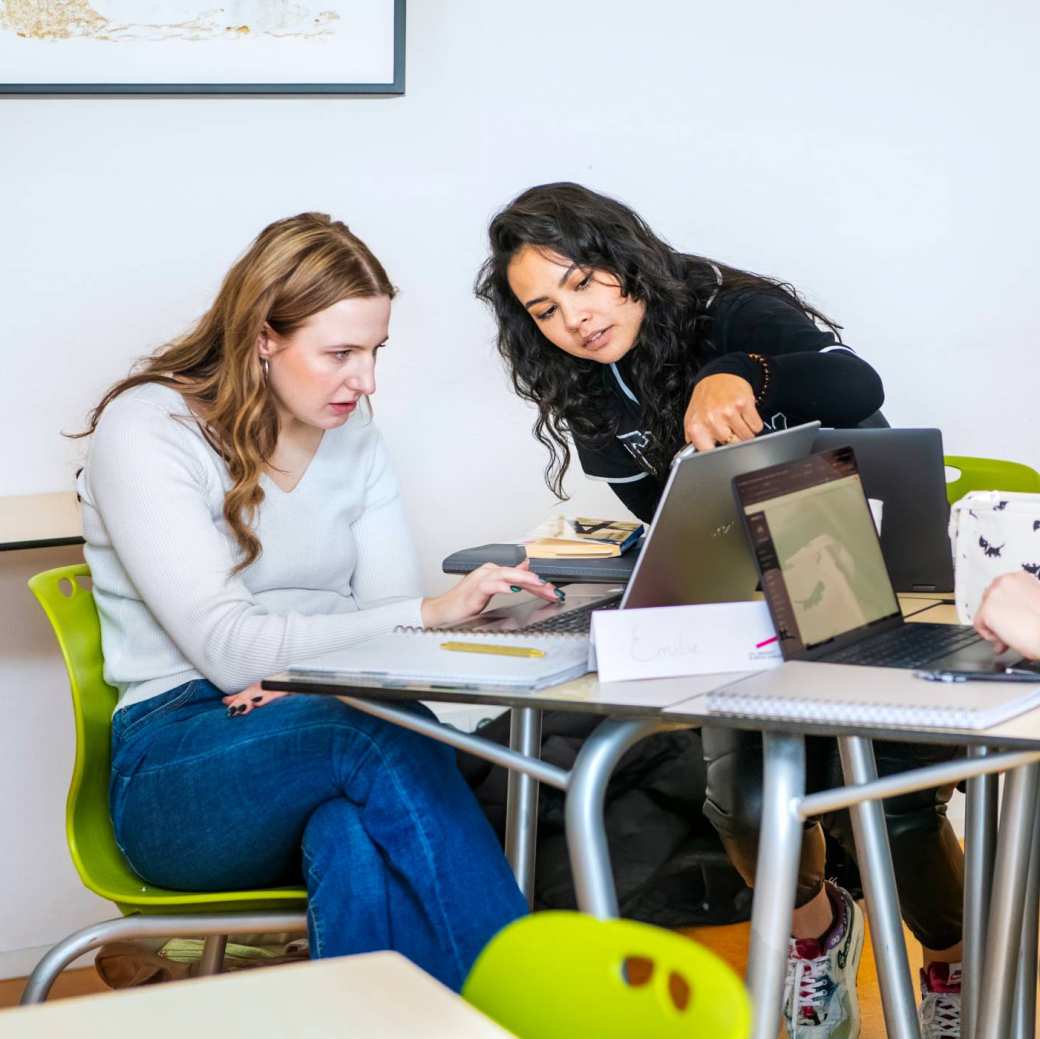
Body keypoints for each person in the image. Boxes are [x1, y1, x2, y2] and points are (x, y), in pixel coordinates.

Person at [476, 182, 964, 1038]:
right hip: (743, 602)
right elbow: (665, 513)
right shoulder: (588, 388)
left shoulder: (730, 310)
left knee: (895, 807)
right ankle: (817, 942)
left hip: (865, 577)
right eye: (546, 309)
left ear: (624, 258)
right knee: (738, 801)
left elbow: (856, 381)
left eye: (585, 281)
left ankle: (952, 966)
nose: (576, 319)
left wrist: (731, 374)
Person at [75, 212, 555, 990]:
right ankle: (530, 1004)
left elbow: (386, 635)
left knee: (353, 834)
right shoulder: (149, 428)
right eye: (340, 353)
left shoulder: (353, 431)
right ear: (264, 335)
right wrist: (405, 626)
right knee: (369, 734)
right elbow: (231, 652)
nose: (364, 380)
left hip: (325, 728)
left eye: (374, 352)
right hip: (176, 767)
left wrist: (305, 672)